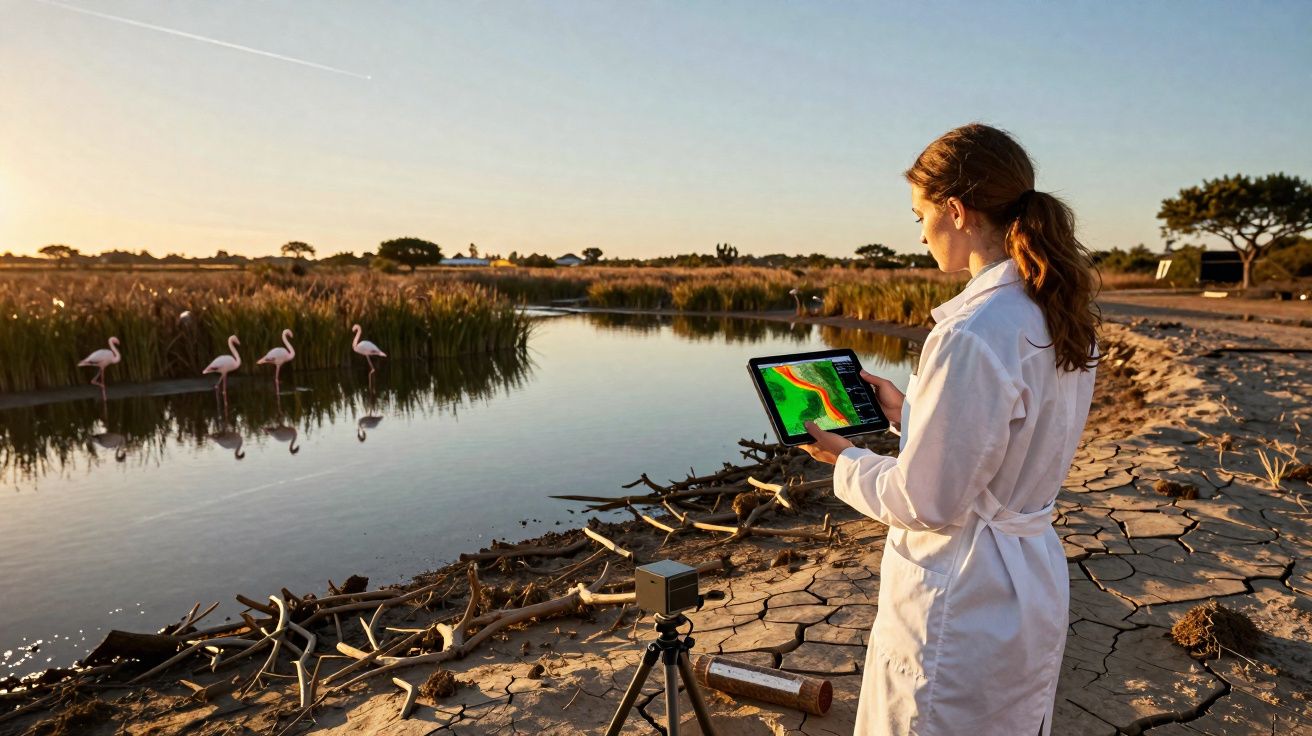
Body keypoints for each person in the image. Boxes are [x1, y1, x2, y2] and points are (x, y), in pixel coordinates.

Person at [800, 123, 1100, 736]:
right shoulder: (1054, 312)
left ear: (957, 211)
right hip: (1028, 575)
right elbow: (1008, 439)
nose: (920, 233)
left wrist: (846, 459)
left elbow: (927, 501)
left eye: (920, 215)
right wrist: (907, 412)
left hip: (965, 588)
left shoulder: (971, 332)